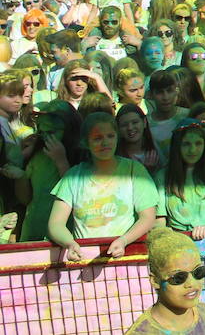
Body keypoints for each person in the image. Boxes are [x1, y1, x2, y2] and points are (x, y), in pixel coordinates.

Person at [49, 111, 159, 262]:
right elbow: (55, 223)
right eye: (97, 138)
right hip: (84, 260)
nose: (105, 143)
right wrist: (69, 243)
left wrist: (124, 240)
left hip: (127, 259)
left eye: (110, 136)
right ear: (86, 142)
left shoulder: (134, 170)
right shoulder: (73, 176)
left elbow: (147, 217)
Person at [123, 226, 205, 334]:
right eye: (179, 278)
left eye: (198, 272)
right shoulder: (142, 332)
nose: (191, 284)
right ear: (155, 281)